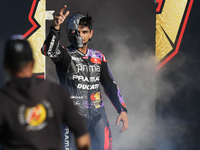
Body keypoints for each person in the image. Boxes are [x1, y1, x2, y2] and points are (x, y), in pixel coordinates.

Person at [41, 5, 129, 150]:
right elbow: (48, 50)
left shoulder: (99, 57)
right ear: (69, 33)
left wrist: (122, 111)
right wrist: (56, 27)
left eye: (84, 32)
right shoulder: (64, 54)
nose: (80, 35)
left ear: (91, 33)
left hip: (98, 117)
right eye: (76, 31)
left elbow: (110, 85)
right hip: (72, 118)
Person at [0, 35, 91, 150]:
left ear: (5, 65)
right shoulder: (56, 92)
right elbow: (81, 133)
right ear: (33, 63)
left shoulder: (3, 99)